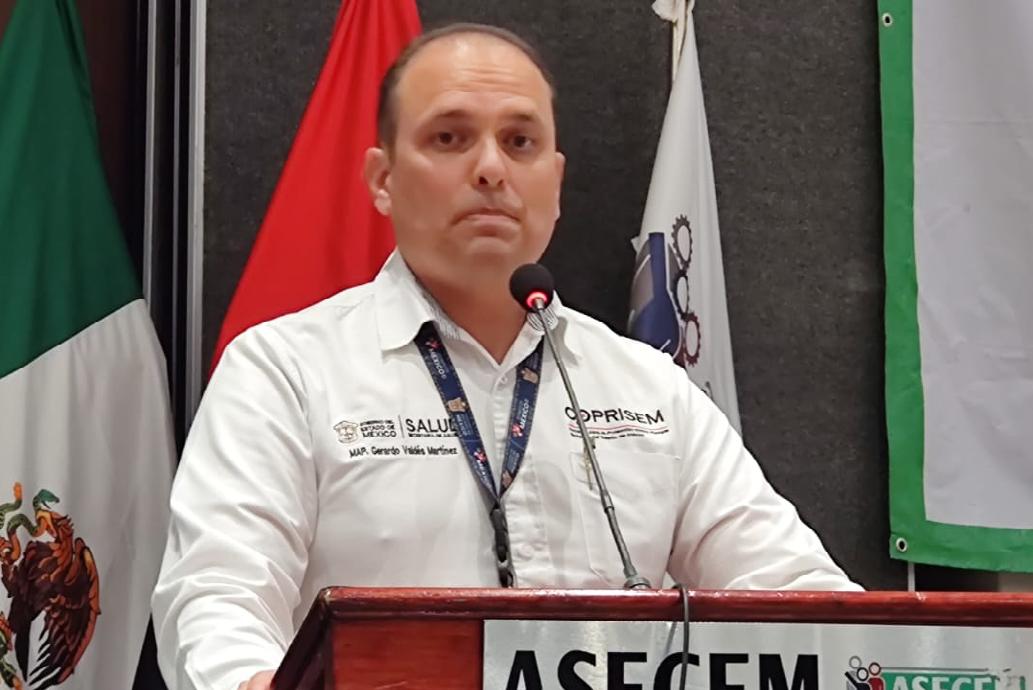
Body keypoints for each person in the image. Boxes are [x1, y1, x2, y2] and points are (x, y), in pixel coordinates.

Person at [151, 23, 861, 690]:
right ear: (382, 179)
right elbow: (218, 601)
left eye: (520, 142)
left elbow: (802, 600)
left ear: (555, 180)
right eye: (450, 138)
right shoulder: (285, 371)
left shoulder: (648, 387)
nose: (491, 168)